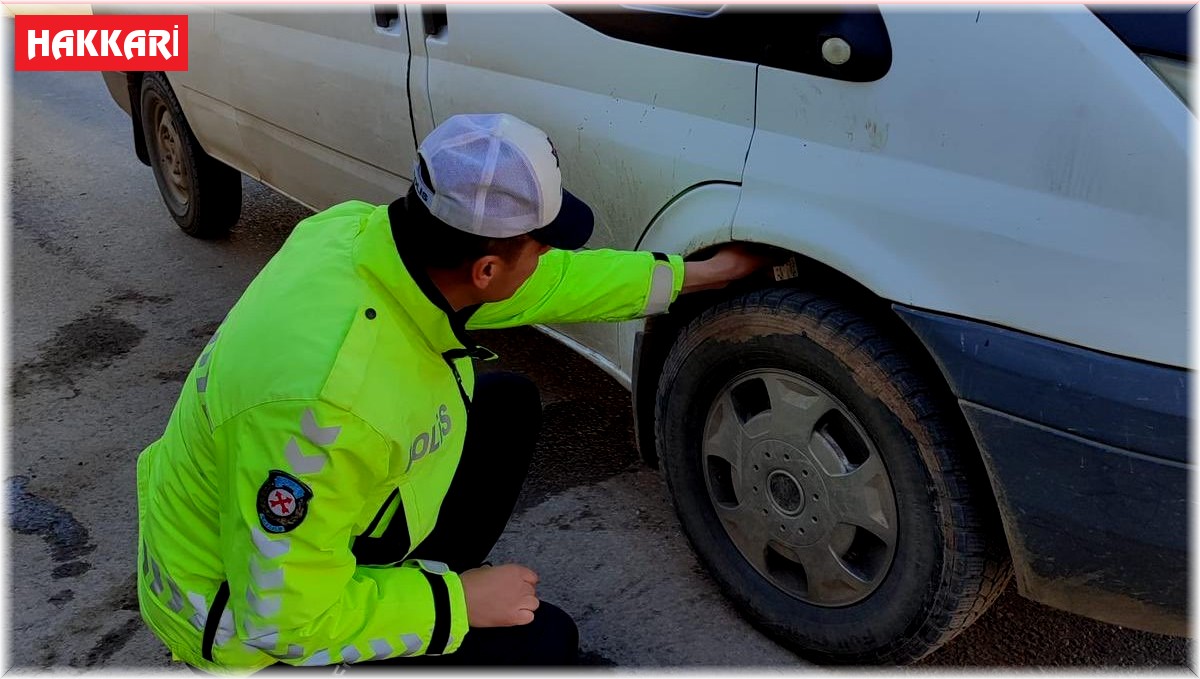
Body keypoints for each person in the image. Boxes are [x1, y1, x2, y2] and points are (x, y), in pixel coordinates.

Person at [135, 113, 770, 673]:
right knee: (545, 646)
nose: (544, 259)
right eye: (538, 247)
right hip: (243, 627)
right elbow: (282, 621)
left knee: (504, 406)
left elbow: (552, 282)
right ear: (486, 269)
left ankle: (413, 578)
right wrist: (457, 604)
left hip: (288, 520)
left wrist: (694, 276)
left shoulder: (357, 234)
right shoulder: (324, 414)